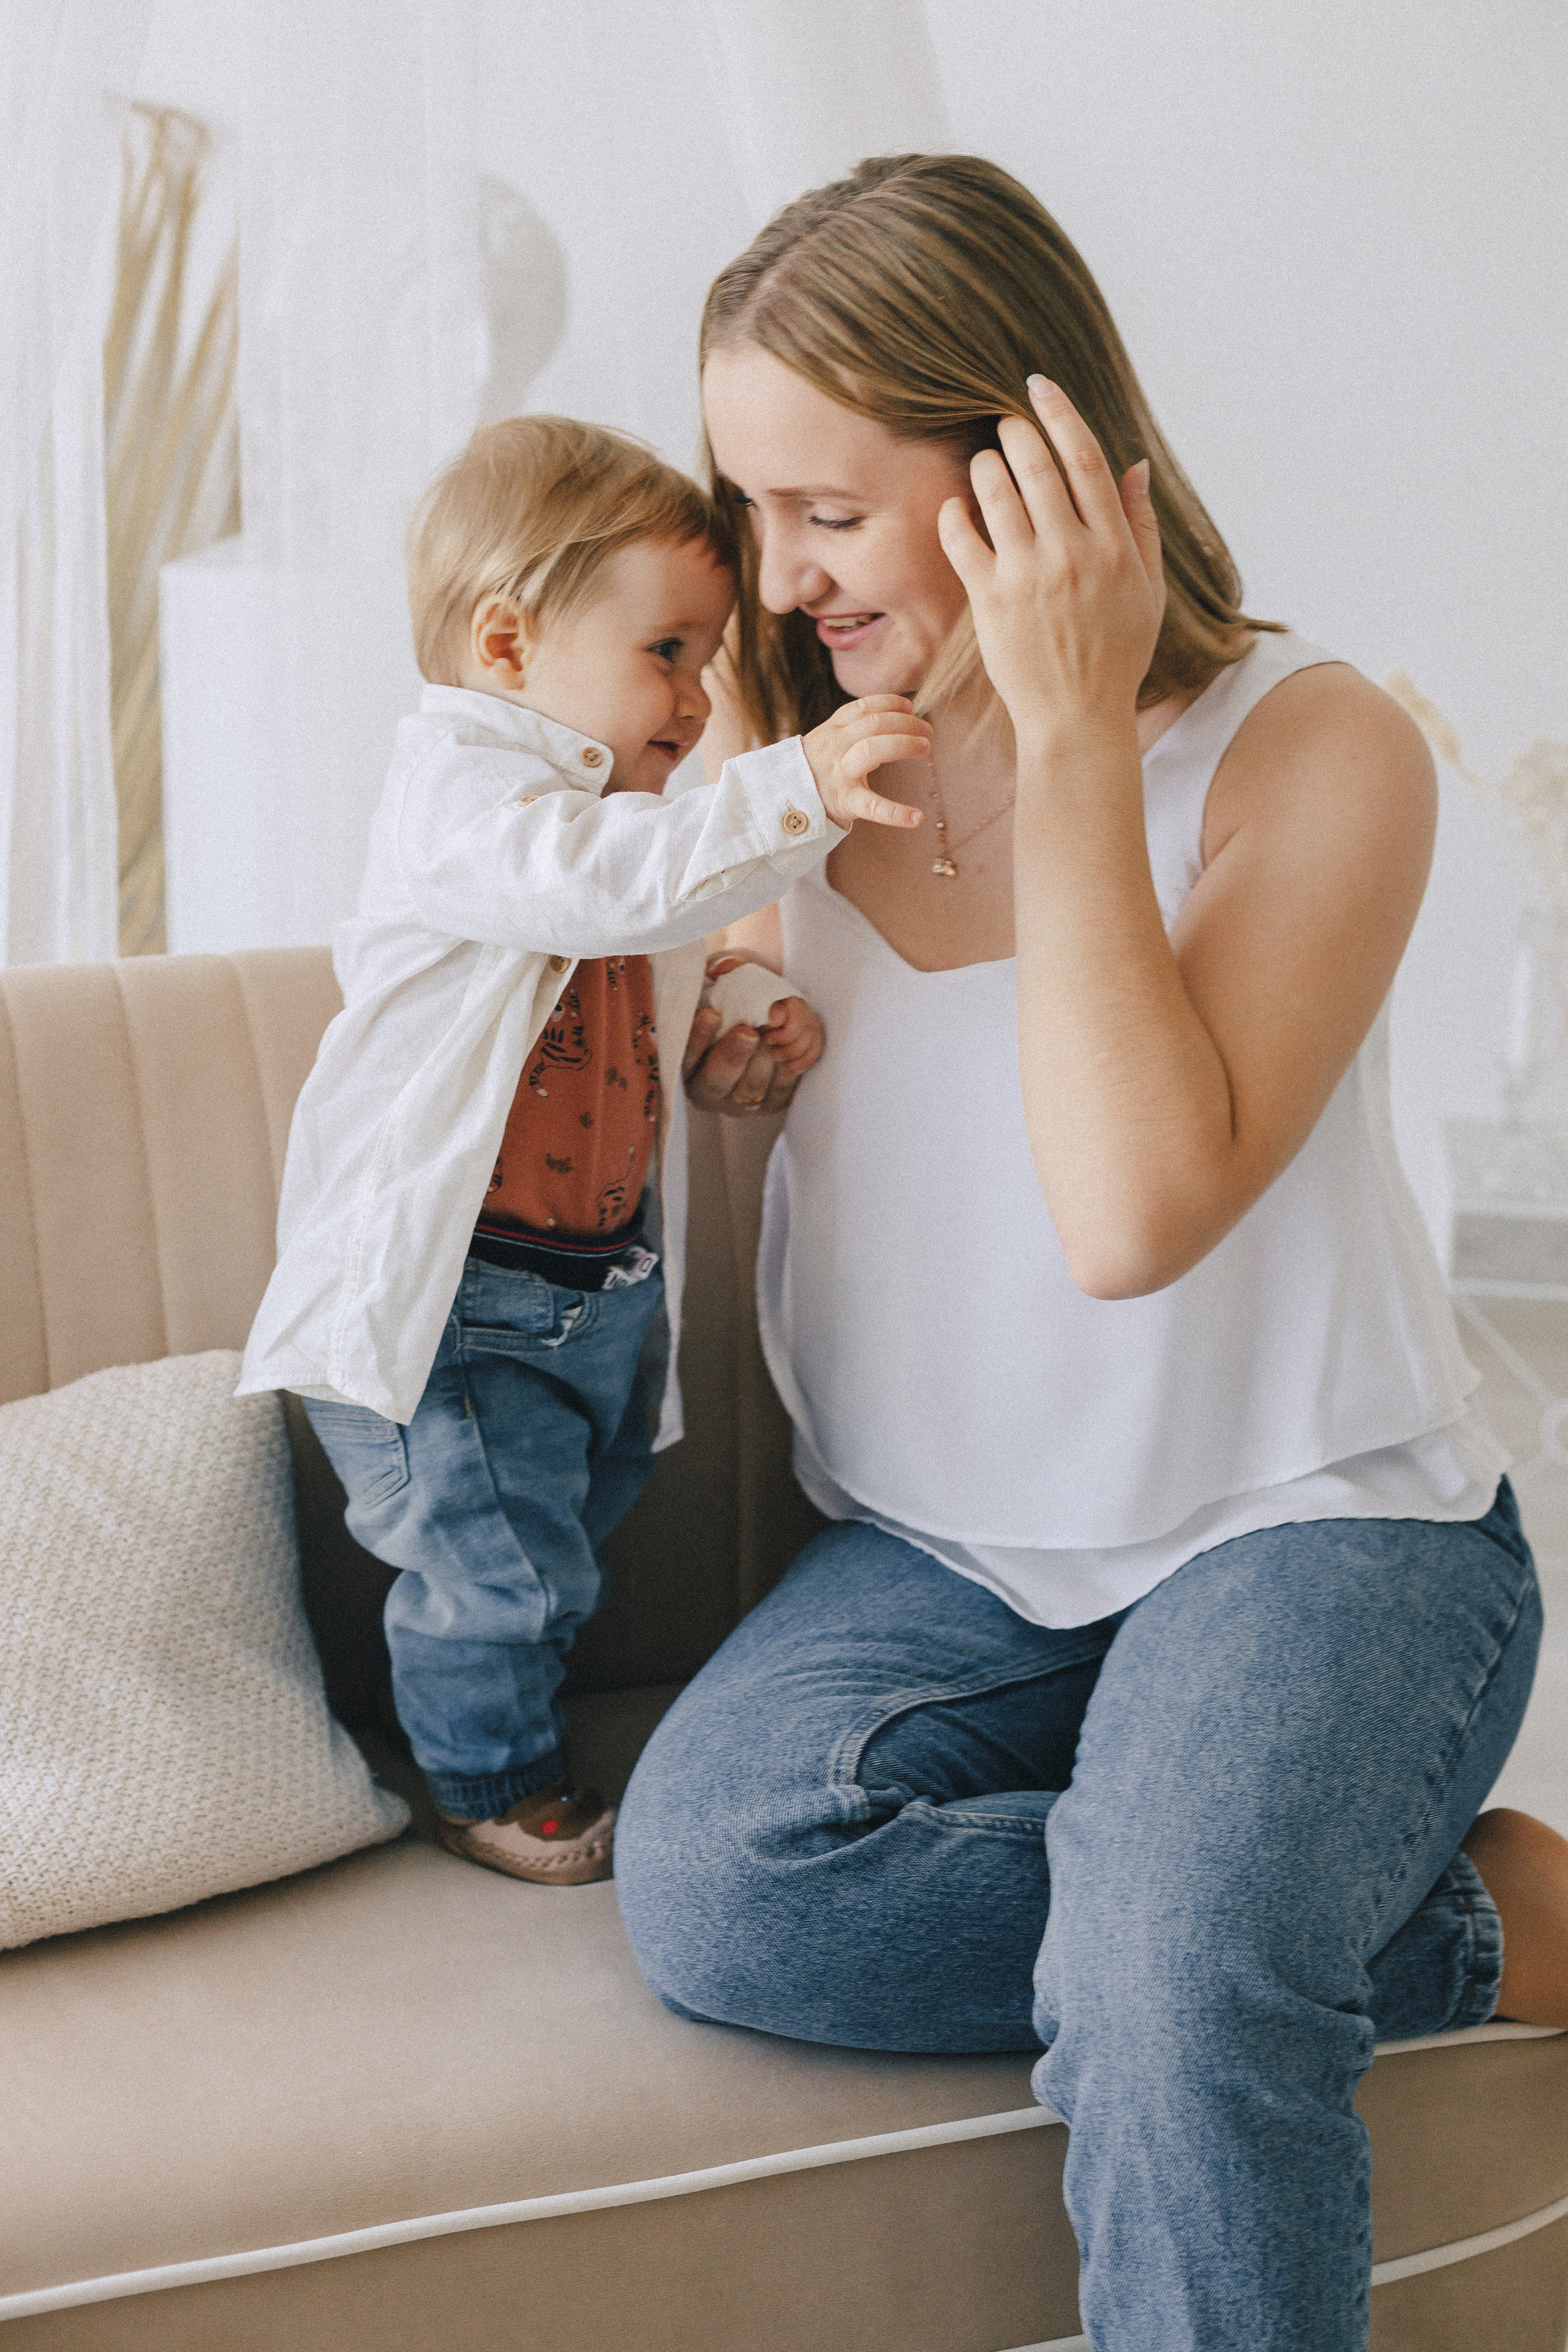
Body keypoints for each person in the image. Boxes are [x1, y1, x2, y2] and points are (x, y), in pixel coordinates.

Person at [613, 155, 1568, 2347]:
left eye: (828, 511)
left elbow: (1133, 1214)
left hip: (1310, 1531)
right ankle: (1450, 1927)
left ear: (1030, 461)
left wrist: (1061, 724)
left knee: (1166, 1985)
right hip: (950, 1557)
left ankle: (1218, 1910)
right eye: (749, 504)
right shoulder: (793, 742)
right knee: (721, 1889)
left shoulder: (1314, 749)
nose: (777, 570)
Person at [238, 414, 931, 1885]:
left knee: (572, 1537)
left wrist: (738, 994)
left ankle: (507, 1706)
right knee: (495, 1569)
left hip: (595, 1283)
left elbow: (649, 953)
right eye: (666, 651)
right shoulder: (463, 796)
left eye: (707, 657)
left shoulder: (630, 819)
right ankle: (486, 1779)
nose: (697, 698)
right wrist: (792, 781)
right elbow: (601, 893)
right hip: (452, 1311)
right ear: (505, 644)